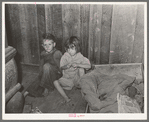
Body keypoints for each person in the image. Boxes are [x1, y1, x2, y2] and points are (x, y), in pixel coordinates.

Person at [54, 36, 91, 103]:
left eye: (72, 48)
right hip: (67, 79)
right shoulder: (65, 56)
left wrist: (78, 64)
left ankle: (83, 90)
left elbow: (89, 66)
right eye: (68, 49)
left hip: (77, 79)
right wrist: (67, 66)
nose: (69, 51)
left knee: (81, 69)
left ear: (77, 48)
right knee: (55, 82)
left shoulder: (80, 56)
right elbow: (61, 67)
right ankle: (66, 98)